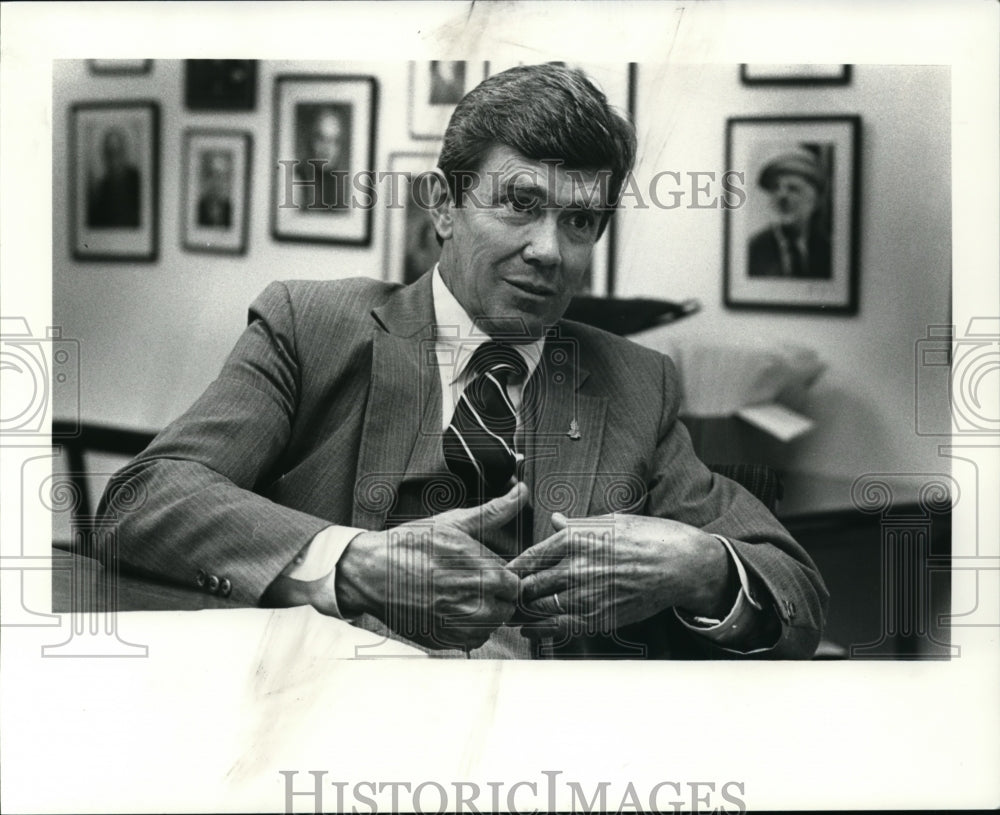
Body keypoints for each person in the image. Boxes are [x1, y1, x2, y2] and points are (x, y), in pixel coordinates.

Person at [98, 64, 827, 659]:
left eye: (578, 221)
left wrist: (700, 569)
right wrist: (351, 562)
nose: (549, 249)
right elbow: (142, 499)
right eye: (519, 204)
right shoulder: (311, 326)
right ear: (444, 206)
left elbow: (795, 586)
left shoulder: (636, 382)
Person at [748, 147, 832, 279]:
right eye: (775, 188)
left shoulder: (830, 253)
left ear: (816, 201)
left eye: (793, 188)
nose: (782, 196)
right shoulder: (751, 251)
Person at [294, 105, 350, 211]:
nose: (327, 148)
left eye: (335, 141)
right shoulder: (296, 182)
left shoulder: (343, 185)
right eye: (321, 138)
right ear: (309, 139)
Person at [87, 127, 141, 228]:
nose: (113, 158)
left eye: (117, 151)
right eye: (109, 152)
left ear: (124, 152)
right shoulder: (103, 186)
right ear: (104, 154)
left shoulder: (136, 180)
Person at [196, 150, 233, 228]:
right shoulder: (196, 210)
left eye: (223, 176)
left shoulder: (233, 211)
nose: (217, 181)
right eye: (212, 174)